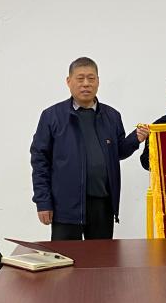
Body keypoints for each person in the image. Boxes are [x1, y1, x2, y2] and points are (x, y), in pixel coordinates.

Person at [30, 57, 147, 240]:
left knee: (100, 256)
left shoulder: (112, 116)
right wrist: (43, 201)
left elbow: (116, 153)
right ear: (68, 81)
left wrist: (135, 139)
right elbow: (40, 161)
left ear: (98, 81)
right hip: (66, 206)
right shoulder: (52, 116)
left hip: (102, 203)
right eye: (80, 78)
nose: (86, 84)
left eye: (91, 78)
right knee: (66, 257)